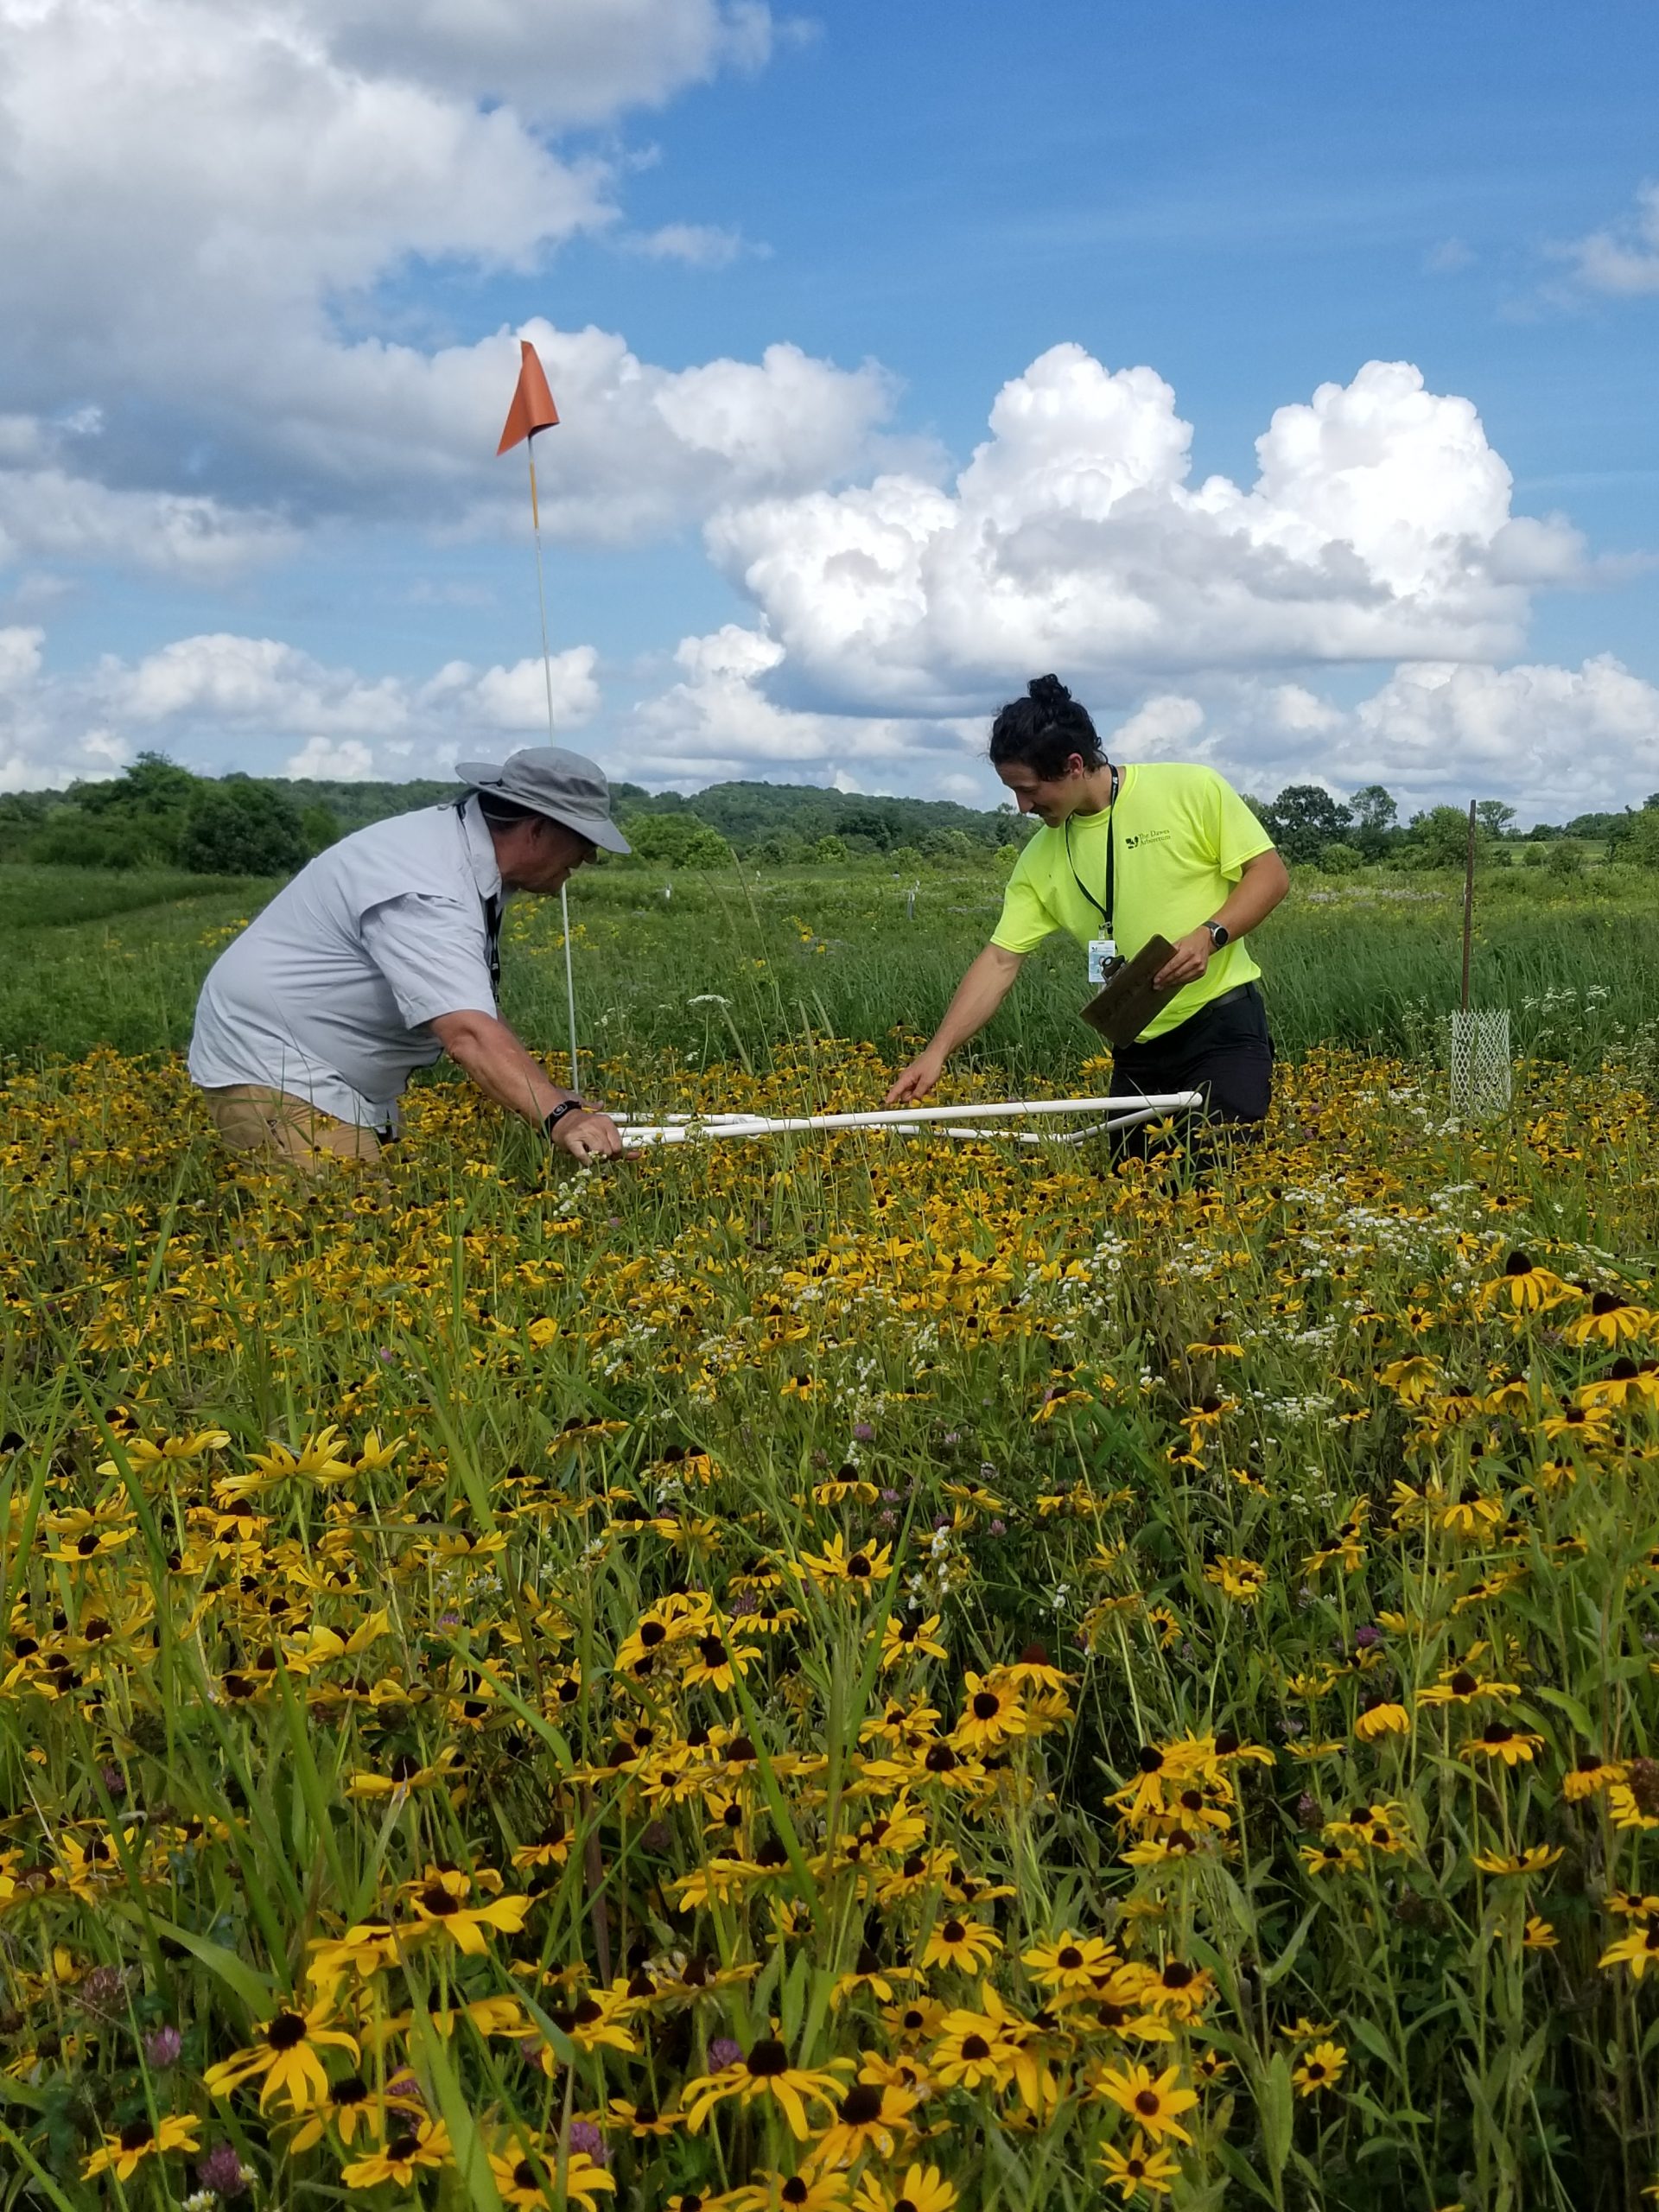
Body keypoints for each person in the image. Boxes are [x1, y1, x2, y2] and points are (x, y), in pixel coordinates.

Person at [886, 676, 1290, 1138]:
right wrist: (937, 1051)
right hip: (1135, 1046)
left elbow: (1270, 875)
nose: (1021, 806)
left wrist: (1210, 934)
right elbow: (1000, 960)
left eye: (1030, 789)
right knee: (1133, 1198)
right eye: (1012, 790)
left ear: (1074, 765)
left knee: (1218, 1185)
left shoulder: (1190, 789)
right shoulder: (1038, 858)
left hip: (1222, 1030)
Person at [188, 747, 630, 1170]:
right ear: (537, 830)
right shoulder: (425, 886)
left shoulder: (457, 857)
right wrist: (560, 1118)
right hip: (280, 1067)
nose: (589, 856)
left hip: (329, 1074)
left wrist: (551, 1098)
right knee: (355, 1231)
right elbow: (467, 1034)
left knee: (383, 1221)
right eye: (583, 840)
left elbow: (472, 1004)